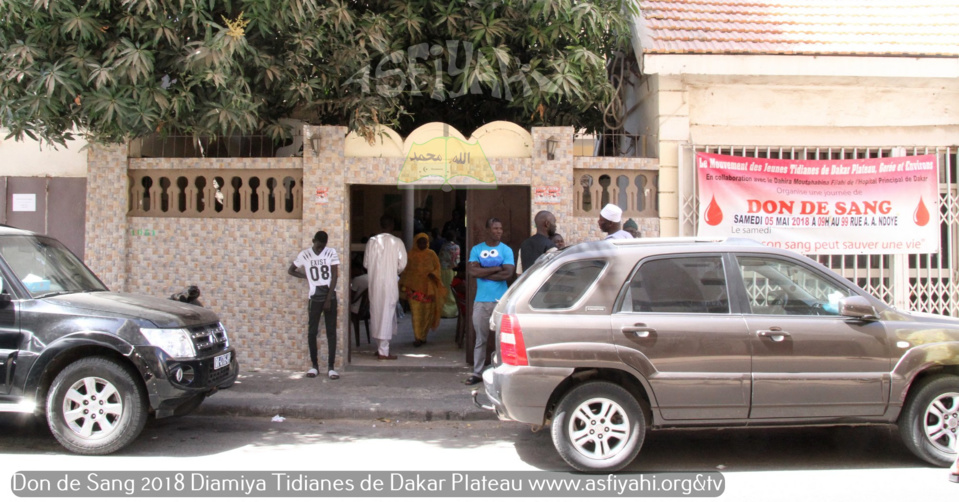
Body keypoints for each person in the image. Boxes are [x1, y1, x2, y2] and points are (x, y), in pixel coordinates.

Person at [465, 218, 515, 385]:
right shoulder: (477, 249)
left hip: (501, 301)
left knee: (502, 339)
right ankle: (477, 373)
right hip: (481, 301)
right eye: (495, 228)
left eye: (500, 228)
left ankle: (501, 371)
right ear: (487, 230)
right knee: (481, 339)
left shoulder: (506, 250)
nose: (499, 231)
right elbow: (472, 271)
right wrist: (496, 268)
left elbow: (507, 273)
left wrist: (483, 271)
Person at [288, 230, 340, 380]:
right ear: (313, 241)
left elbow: (335, 274)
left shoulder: (331, 252)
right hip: (314, 297)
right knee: (312, 331)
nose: (320, 249)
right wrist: (306, 277)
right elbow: (291, 270)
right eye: (318, 246)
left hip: (329, 295)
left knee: (331, 331)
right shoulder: (305, 254)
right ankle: (314, 365)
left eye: (322, 246)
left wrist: (329, 298)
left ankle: (331, 367)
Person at [364, 215, 408, 360]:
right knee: (386, 314)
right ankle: (384, 351)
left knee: (376, 313)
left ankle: (380, 347)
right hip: (389, 283)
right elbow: (402, 264)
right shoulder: (397, 242)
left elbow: (366, 264)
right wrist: (392, 270)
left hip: (375, 283)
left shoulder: (372, 242)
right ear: (392, 225)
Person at [399, 233, 445, 347]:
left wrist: (433, 274)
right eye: (420, 242)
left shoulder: (432, 254)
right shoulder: (410, 255)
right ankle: (418, 337)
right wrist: (404, 285)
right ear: (416, 242)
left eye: (425, 242)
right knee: (416, 315)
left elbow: (437, 268)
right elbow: (405, 271)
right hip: (414, 290)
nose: (423, 244)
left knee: (427, 314)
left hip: (429, 290)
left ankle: (423, 336)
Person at [517, 210, 556, 274]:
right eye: (554, 222)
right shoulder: (550, 246)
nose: (555, 225)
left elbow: (519, 274)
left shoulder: (524, 244)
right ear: (547, 224)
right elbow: (554, 273)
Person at [439, 230, 461, 318]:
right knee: (452, 291)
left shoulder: (443, 247)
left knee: (444, 290)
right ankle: (453, 311)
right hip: (452, 270)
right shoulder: (456, 247)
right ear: (454, 237)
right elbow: (457, 260)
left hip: (443, 270)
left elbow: (440, 258)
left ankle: (444, 311)